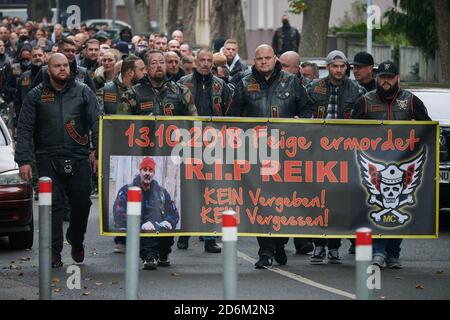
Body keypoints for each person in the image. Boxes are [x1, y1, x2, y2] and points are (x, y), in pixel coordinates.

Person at [229, 44, 314, 269]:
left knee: (282, 203)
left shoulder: (292, 82)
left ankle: (279, 243)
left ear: (275, 59)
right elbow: (231, 119)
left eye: (268, 58)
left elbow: (308, 111)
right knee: (261, 203)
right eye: (259, 59)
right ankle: (265, 251)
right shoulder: (244, 84)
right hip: (256, 155)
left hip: (287, 154)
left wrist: (301, 122)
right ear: (253, 61)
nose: (264, 62)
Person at [15, 53, 100, 268]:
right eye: (58, 66)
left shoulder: (84, 91)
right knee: (53, 206)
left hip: (79, 157)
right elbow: (24, 128)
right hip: (47, 158)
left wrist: (98, 152)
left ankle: (76, 238)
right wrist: (24, 160)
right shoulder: (35, 95)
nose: (63, 69)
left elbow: (97, 123)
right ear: (48, 69)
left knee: (82, 203)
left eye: (66, 65)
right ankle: (54, 251)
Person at [352, 61, 430, 269]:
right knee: (376, 208)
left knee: (399, 210)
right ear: (377, 78)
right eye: (382, 77)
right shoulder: (365, 101)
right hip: (374, 168)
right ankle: (378, 252)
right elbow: (349, 133)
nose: (386, 81)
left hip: (402, 166)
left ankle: (393, 253)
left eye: (390, 77)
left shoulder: (411, 101)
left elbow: (429, 129)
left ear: (397, 78)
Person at [306, 50, 366, 264]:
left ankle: (333, 246)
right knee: (318, 200)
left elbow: (364, 121)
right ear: (328, 67)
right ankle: (318, 245)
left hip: (345, 154)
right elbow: (304, 115)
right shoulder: (313, 88)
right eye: (335, 66)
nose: (339, 70)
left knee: (339, 202)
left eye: (342, 66)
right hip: (318, 153)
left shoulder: (357, 90)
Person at [177, 48, 233, 254]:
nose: (206, 63)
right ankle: (184, 232)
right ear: (195, 61)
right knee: (187, 189)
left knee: (210, 192)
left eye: (210, 60)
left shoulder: (221, 86)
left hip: (212, 146)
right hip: (185, 144)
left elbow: (230, 114)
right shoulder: (182, 84)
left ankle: (210, 236)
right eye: (202, 60)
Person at [112, 157, 180, 270]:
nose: (147, 173)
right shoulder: (127, 191)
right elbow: (119, 214)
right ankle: (149, 257)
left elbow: (174, 212)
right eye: (145, 169)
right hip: (136, 231)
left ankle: (163, 253)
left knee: (166, 226)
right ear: (140, 171)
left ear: (154, 173)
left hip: (159, 228)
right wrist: (140, 224)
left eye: (150, 170)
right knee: (146, 228)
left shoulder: (162, 192)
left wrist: (168, 221)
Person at [121, 50, 197, 116]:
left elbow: (195, 122)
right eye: (154, 63)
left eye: (162, 62)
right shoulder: (131, 94)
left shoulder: (182, 91)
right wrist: (142, 123)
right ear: (146, 68)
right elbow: (121, 125)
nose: (159, 66)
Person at [32, 38, 96, 93]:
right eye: (67, 51)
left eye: (73, 51)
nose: (71, 53)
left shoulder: (83, 73)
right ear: (58, 51)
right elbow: (32, 97)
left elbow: (93, 98)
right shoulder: (45, 71)